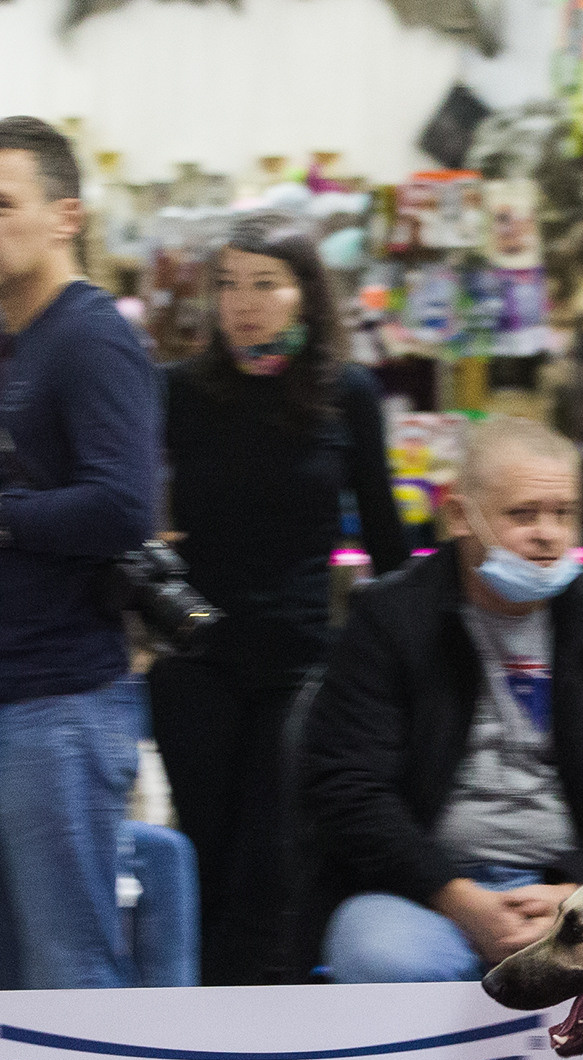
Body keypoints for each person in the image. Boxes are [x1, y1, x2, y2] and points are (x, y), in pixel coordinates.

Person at [302, 417, 583, 982]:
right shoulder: (389, 619)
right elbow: (348, 788)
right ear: (459, 516)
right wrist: (456, 898)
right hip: (424, 896)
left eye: (564, 513)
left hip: (582, 889)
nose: (548, 534)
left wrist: (573, 895)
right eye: (523, 514)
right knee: (385, 959)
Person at [151, 217, 408, 985]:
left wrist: (395, 661)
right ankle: (194, 1028)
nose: (244, 303)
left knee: (277, 860)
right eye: (228, 283)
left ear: (305, 294)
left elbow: (390, 544)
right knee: (202, 853)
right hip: (196, 662)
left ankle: (269, 1029)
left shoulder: (346, 394)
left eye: (265, 283)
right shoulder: (177, 391)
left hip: (300, 669)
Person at [0, 116, 157, 989]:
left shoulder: (90, 337)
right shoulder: (21, 341)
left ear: (66, 214)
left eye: (1, 204)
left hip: (59, 707)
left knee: (71, 978)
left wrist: (8, 519)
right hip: (20, 693)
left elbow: (124, 507)